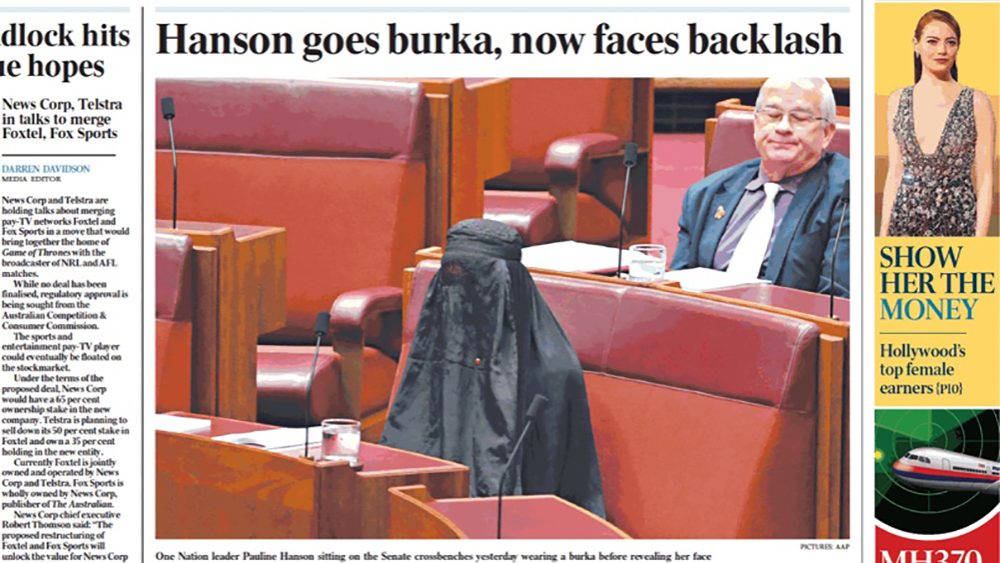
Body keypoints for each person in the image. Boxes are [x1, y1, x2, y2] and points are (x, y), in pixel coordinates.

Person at [381, 219, 605, 517]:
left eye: (476, 282)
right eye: (453, 275)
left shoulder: (551, 372)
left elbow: (550, 490)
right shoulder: (433, 350)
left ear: (509, 286)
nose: (462, 293)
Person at [671, 77, 850, 297]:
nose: (783, 127)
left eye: (800, 118)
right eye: (772, 116)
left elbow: (837, 302)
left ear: (827, 133)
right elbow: (675, 287)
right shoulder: (705, 194)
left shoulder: (849, 195)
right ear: (756, 124)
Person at [880, 9, 995, 237]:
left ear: (958, 47)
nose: (942, 50)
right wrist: (883, 235)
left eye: (950, 42)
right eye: (932, 41)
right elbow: (895, 173)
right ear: (916, 44)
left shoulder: (977, 102)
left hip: (959, 221)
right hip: (904, 223)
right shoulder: (897, 100)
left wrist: (979, 242)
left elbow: (985, 179)